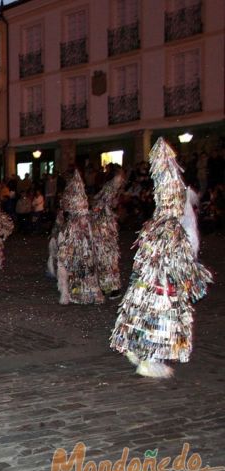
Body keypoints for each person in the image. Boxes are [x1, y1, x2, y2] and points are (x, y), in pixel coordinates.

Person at [111, 138, 212, 378]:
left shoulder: (154, 224)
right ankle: (149, 360)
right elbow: (182, 258)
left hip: (146, 282)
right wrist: (191, 276)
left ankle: (137, 348)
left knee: (145, 316)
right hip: (161, 284)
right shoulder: (173, 228)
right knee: (161, 319)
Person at [55, 170, 104, 305]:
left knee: (85, 267)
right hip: (78, 246)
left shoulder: (83, 223)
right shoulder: (74, 223)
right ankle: (79, 293)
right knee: (78, 268)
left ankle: (87, 293)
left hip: (83, 247)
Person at [90, 170, 125, 298]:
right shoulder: (108, 194)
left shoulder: (106, 195)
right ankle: (109, 287)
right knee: (107, 261)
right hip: (103, 232)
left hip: (104, 233)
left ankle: (110, 287)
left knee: (107, 261)